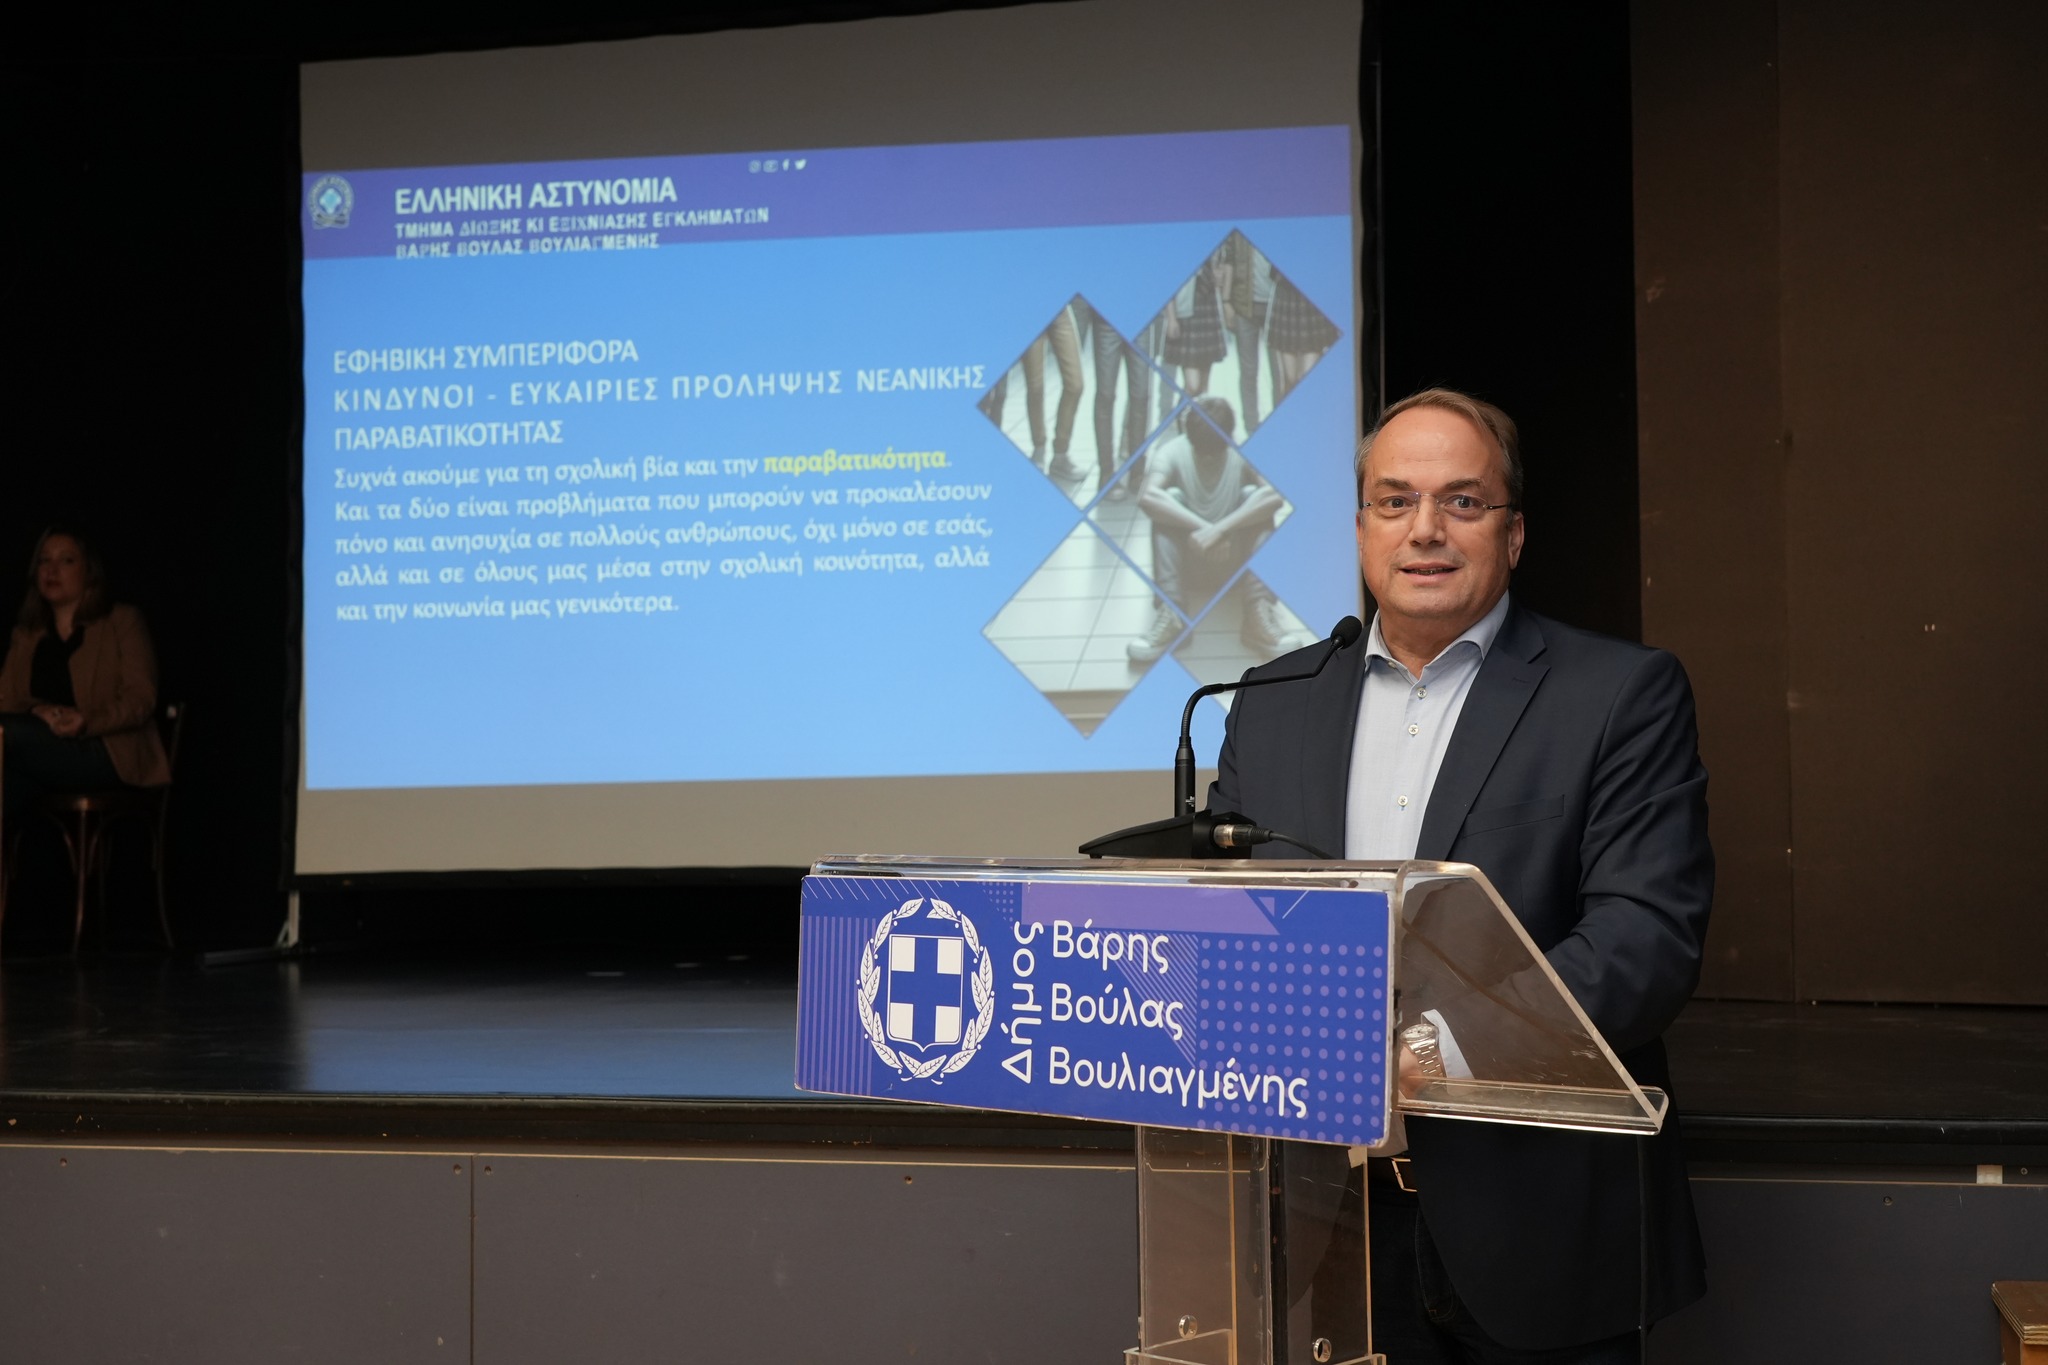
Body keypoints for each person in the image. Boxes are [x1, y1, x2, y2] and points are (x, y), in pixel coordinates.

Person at [1210, 389, 1710, 1362]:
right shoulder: (1270, 704)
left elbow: (1642, 940)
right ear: (1362, 528)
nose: (1425, 529)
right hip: (1328, 1223)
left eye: (1462, 501)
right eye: (1394, 500)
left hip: (1540, 1229)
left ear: (1512, 535)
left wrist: (1429, 1054)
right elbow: (1230, 924)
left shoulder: (1619, 694)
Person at [0, 527, 170, 814]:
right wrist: (35, 711)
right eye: (44, 561)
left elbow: (141, 698)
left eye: (66, 560)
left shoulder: (122, 621)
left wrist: (86, 720)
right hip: (40, 750)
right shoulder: (27, 634)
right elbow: (5, 698)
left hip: (105, 749)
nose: (52, 570)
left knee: (6, 735)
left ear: (89, 571)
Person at [1126, 397, 1301, 662]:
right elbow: (1146, 496)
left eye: (1215, 451)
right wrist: (1205, 529)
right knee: (1167, 499)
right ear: (1188, 438)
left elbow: (1274, 496)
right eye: (1201, 451)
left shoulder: (1245, 451)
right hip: (1189, 564)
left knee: (1256, 497)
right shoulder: (1171, 452)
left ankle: (1257, 613)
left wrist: (1221, 530)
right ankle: (1172, 613)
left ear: (1229, 438)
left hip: (1236, 566)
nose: (1208, 458)